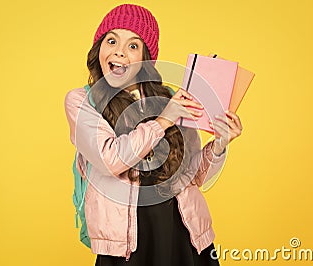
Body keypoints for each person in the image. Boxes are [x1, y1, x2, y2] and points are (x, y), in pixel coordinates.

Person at [64, 4, 243, 266]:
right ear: (99, 48)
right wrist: (163, 121)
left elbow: (194, 176)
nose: (120, 52)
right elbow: (109, 159)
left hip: (183, 232)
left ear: (146, 58)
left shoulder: (169, 100)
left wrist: (219, 143)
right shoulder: (82, 101)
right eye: (111, 40)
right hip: (127, 245)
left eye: (133, 46)